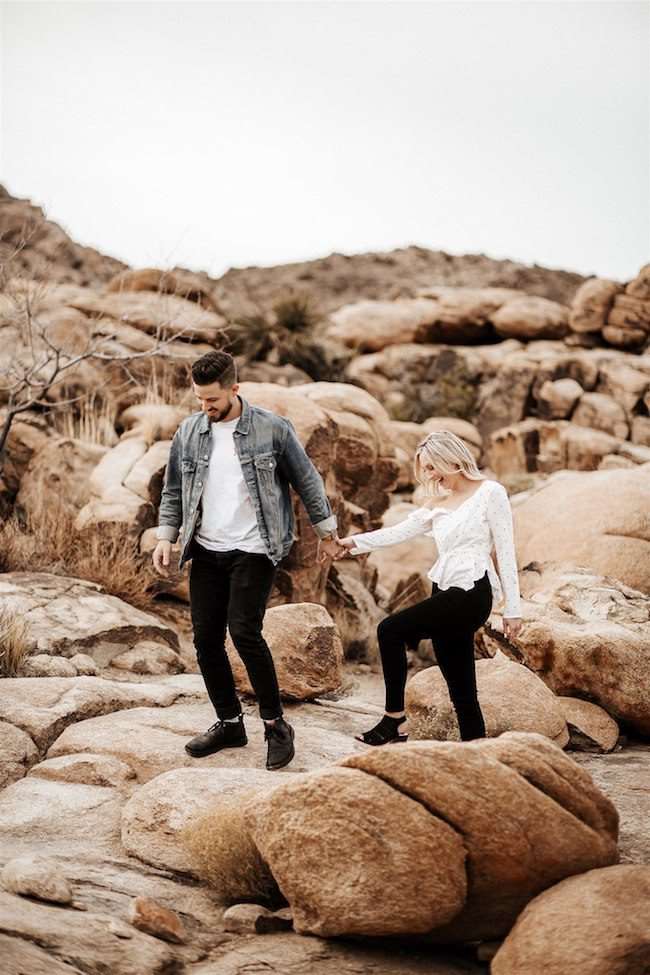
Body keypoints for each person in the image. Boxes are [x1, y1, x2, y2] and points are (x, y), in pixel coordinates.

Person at [152, 350, 340, 770]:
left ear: (235, 389)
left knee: (244, 632)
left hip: (255, 547)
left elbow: (307, 480)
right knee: (204, 640)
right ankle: (229, 722)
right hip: (206, 548)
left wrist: (328, 532)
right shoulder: (189, 432)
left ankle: (275, 726)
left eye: (213, 400)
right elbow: (173, 491)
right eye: (199, 400)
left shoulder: (272, 429)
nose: (206, 408)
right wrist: (167, 536)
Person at [335, 430, 523, 746]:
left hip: (472, 590)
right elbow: (397, 532)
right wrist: (351, 543)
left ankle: (393, 720)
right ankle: (476, 748)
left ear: (451, 459)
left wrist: (513, 610)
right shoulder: (438, 503)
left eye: (433, 467)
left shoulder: (491, 493)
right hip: (444, 588)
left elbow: (506, 550)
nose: (430, 476)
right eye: (426, 470)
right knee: (460, 682)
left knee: (390, 630)